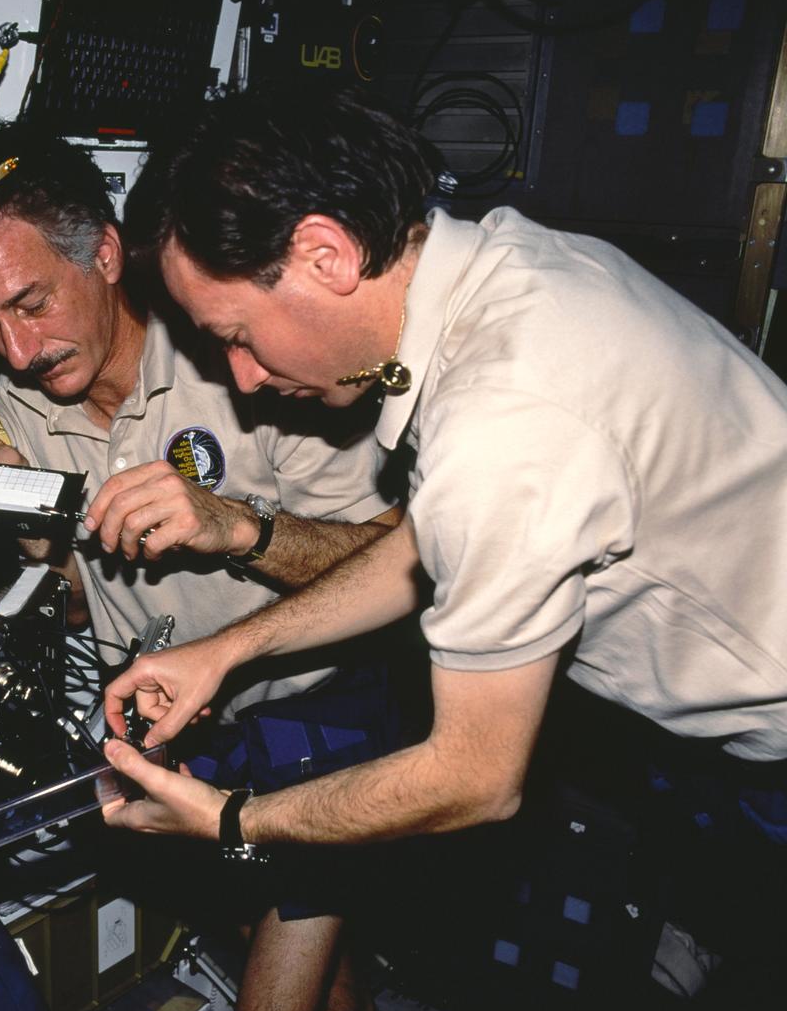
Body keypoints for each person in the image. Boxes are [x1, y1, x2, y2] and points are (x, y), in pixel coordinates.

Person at [0, 115, 424, 1011]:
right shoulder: (12, 404)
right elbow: (63, 581)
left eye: (31, 302)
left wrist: (235, 522)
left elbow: (403, 563)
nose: (13, 347)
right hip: (170, 748)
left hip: (310, 733)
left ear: (103, 251)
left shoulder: (246, 359)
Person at [99, 83, 787, 860]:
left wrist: (232, 820)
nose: (243, 378)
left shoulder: (501, 420)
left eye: (238, 336)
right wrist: (225, 651)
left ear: (326, 254)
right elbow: (426, 544)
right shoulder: (505, 265)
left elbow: (476, 778)